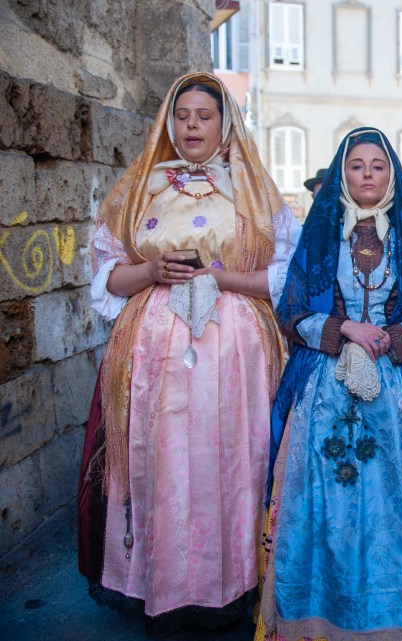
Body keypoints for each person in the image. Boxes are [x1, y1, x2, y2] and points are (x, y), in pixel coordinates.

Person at [78, 72, 300, 628]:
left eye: (205, 115)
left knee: (229, 458)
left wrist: (224, 279)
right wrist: (152, 269)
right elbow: (104, 277)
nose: (193, 125)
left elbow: (287, 278)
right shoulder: (141, 191)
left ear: (226, 124)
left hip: (235, 356)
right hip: (153, 353)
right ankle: (162, 580)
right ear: (169, 123)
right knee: (161, 460)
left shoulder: (254, 192)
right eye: (183, 116)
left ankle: (233, 581)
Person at [255, 128, 402, 640]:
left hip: (395, 395)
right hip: (325, 388)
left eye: (377, 165)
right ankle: (321, 616)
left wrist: (387, 337)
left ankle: (394, 617)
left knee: (395, 502)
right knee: (325, 501)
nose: (367, 174)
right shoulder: (320, 235)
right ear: (342, 173)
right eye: (357, 165)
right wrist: (344, 330)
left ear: (392, 175)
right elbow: (292, 310)